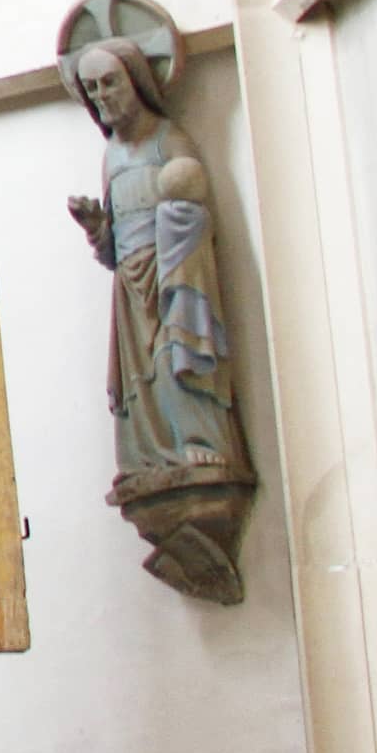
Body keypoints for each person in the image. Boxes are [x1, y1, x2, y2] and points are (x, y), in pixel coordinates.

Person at [68, 37, 257, 602]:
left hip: (174, 281)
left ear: (137, 82)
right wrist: (97, 229)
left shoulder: (166, 140)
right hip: (130, 290)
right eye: (92, 87)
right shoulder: (112, 158)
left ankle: (201, 446)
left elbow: (196, 211)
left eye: (111, 82)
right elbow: (112, 253)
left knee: (176, 364)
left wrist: (176, 237)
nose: (102, 95)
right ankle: (150, 460)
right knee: (141, 384)